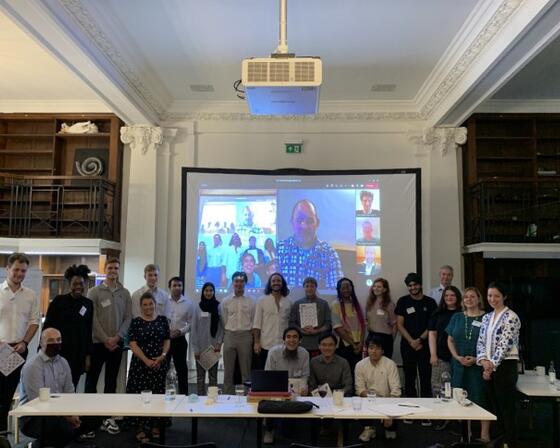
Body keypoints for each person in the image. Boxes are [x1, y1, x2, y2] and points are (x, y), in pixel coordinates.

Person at [19, 328, 101, 448]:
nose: (56, 343)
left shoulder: (63, 362)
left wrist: (73, 413)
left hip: (60, 411)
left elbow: (69, 391)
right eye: (51, 340)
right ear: (41, 343)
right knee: (64, 428)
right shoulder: (32, 366)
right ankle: (36, 445)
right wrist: (67, 417)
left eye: (58, 340)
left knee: (95, 418)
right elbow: (38, 402)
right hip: (33, 416)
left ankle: (55, 442)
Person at [85, 257, 131, 435]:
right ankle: (89, 420)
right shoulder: (94, 292)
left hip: (116, 345)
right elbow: (92, 319)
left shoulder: (124, 293)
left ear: (119, 270)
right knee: (91, 382)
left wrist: (117, 337)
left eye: (116, 268)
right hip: (98, 344)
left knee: (111, 382)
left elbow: (128, 318)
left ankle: (107, 418)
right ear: (105, 269)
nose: (113, 271)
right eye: (110, 268)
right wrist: (105, 339)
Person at [476, 282, 521, 448]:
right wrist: (483, 361)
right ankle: (500, 441)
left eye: (496, 296)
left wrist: (491, 366)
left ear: (504, 297)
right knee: (493, 406)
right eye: (489, 295)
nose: (492, 299)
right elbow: (480, 342)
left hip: (505, 367)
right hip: (488, 367)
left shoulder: (511, 317)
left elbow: (505, 344)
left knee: (506, 408)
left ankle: (510, 442)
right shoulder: (486, 317)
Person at [0, 253, 40, 435]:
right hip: (0, 348)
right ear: (7, 269)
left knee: (8, 393)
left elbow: (34, 321)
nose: (19, 274)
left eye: (23, 271)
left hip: (18, 349)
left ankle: (2, 432)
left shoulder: (30, 295)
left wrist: (25, 342)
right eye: (16, 269)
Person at [127, 292, 170, 444]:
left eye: (150, 304)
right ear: (140, 306)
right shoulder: (136, 322)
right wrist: (146, 360)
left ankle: (155, 425)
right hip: (140, 366)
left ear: (155, 304)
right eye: (144, 305)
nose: (148, 307)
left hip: (159, 364)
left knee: (158, 395)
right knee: (140, 396)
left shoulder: (162, 320)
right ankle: (139, 428)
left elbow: (167, 340)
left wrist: (162, 356)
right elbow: (132, 343)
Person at [447, 287, 490, 442]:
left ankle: (484, 435)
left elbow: (491, 343)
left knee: (481, 398)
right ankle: (466, 434)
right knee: (460, 399)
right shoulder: (457, 317)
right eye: (466, 297)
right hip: (459, 365)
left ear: (479, 299)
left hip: (478, 366)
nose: (469, 300)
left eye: (472, 297)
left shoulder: (487, 318)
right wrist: (457, 357)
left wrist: (478, 358)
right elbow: (450, 340)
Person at [43, 264, 93, 388]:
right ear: (69, 284)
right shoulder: (58, 301)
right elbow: (47, 327)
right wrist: (43, 349)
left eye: (81, 283)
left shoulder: (88, 304)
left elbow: (89, 331)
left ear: (85, 284)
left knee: (72, 386)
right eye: (75, 284)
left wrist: (88, 356)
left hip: (78, 354)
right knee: (55, 385)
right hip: (59, 352)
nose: (78, 287)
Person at [277, 199, 343, 289]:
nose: (304, 226)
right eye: (299, 220)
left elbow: (335, 291)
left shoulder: (329, 254)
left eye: (310, 221)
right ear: (292, 223)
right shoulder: (279, 250)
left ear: (317, 223)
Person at [395, 273, 437, 408]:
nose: (413, 288)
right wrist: (411, 341)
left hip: (425, 346)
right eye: (410, 285)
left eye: (415, 284)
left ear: (420, 285)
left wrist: (419, 340)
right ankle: (410, 408)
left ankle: (426, 410)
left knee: (425, 378)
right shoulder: (403, 301)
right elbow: (399, 324)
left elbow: (432, 326)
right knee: (409, 378)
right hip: (407, 346)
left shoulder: (430, 302)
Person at [264, 327, 310, 444]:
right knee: (269, 400)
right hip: (276, 389)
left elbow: (305, 376)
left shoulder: (304, 353)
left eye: (295, 337)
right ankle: (269, 429)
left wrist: (304, 387)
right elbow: (268, 375)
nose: (291, 340)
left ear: (300, 340)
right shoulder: (273, 352)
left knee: (288, 432)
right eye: (288, 337)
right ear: (283, 340)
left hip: (295, 392)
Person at [355, 335, 401, 442]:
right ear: (367, 349)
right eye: (371, 348)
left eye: (377, 348)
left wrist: (388, 412)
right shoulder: (360, 365)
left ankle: (390, 428)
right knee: (359, 400)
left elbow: (396, 390)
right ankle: (369, 428)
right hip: (369, 399)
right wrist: (373, 397)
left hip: (387, 400)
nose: (374, 351)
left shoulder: (390, 364)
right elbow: (359, 389)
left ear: (383, 351)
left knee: (391, 437)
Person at [428, 285, 462, 430]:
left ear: (457, 297)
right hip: (441, 356)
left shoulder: (462, 313)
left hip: (459, 358)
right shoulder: (437, 313)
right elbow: (432, 334)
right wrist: (433, 354)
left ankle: (456, 420)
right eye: (446, 295)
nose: (449, 298)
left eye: (452, 295)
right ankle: (441, 417)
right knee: (438, 387)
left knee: (457, 388)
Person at [220, 271, 255, 394]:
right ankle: (227, 396)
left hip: (245, 336)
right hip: (230, 335)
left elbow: (253, 320)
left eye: (241, 281)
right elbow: (224, 320)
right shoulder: (226, 301)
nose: (239, 284)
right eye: (236, 281)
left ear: (245, 283)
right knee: (228, 370)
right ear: (232, 283)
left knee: (246, 370)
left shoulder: (251, 301)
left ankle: (247, 396)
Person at [252, 273, 291, 369]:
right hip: (265, 344)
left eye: (278, 281)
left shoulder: (288, 302)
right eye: (273, 281)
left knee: (281, 373)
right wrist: (256, 342)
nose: (276, 283)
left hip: (283, 344)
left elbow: (290, 324)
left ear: (282, 283)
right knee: (265, 374)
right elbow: (257, 324)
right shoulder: (262, 300)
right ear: (270, 284)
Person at [191, 282, 224, 395]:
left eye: (211, 290)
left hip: (213, 348)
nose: (208, 293)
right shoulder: (197, 307)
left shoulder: (218, 307)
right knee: (200, 377)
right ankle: (200, 400)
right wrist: (195, 349)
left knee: (213, 377)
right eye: (206, 290)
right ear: (203, 292)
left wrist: (219, 344)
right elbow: (194, 329)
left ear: (214, 292)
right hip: (200, 348)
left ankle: (212, 399)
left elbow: (221, 327)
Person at [165, 276, 194, 395]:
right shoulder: (164, 301)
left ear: (182, 287)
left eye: (179, 285)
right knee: (163, 368)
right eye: (174, 285)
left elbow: (191, 323)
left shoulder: (188, 304)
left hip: (180, 340)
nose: (177, 288)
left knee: (182, 370)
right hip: (165, 340)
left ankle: (184, 396)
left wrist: (180, 331)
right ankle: (160, 395)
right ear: (170, 287)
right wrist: (167, 331)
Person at [289, 277, 332, 357]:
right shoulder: (297, 304)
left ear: (316, 287)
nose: (309, 289)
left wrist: (317, 330)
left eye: (312, 286)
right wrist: (301, 330)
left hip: (319, 343)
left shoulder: (324, 303)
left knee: (316, 363)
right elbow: (292, 323)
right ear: (304, 288)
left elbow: (328, 324)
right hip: (302, 342)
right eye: (307, 286)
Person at [331, 277, 365, 374]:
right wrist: (353, 345)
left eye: (348, 287)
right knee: (345, 372)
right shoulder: (335, 305)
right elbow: (337, 328)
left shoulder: (357, 304)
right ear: (339, 290)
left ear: (352, 288)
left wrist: (361, 343)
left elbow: (363, 325)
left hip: (358, 344)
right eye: (343, 288)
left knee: (357, 373)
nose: (346, 290)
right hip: (344, 344)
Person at [365, 278, 396, 358]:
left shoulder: (390, 304)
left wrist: (391, 340)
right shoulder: (369, 303)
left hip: (385, 338)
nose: (376, 288)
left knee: (384, 363)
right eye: (374, 286)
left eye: (379, 287)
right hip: (371, 337)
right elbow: (367, 320)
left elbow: (394, 324)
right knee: (372, 362)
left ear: (384, 289)